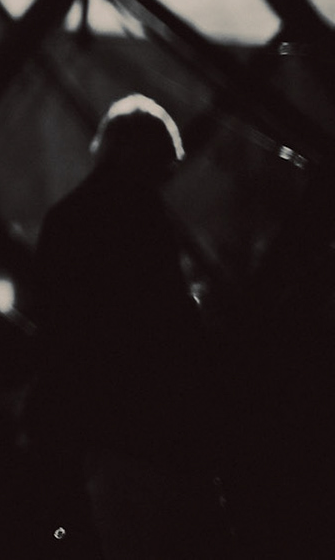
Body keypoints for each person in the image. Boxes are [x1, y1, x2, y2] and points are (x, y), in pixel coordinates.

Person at [29, 94, 235, 560]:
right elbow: (170, 322)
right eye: (163, 164)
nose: (166, 177)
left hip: (93, 427)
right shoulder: (143, 217)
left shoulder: (64, 219)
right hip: (149, 427)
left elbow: (52, 327)